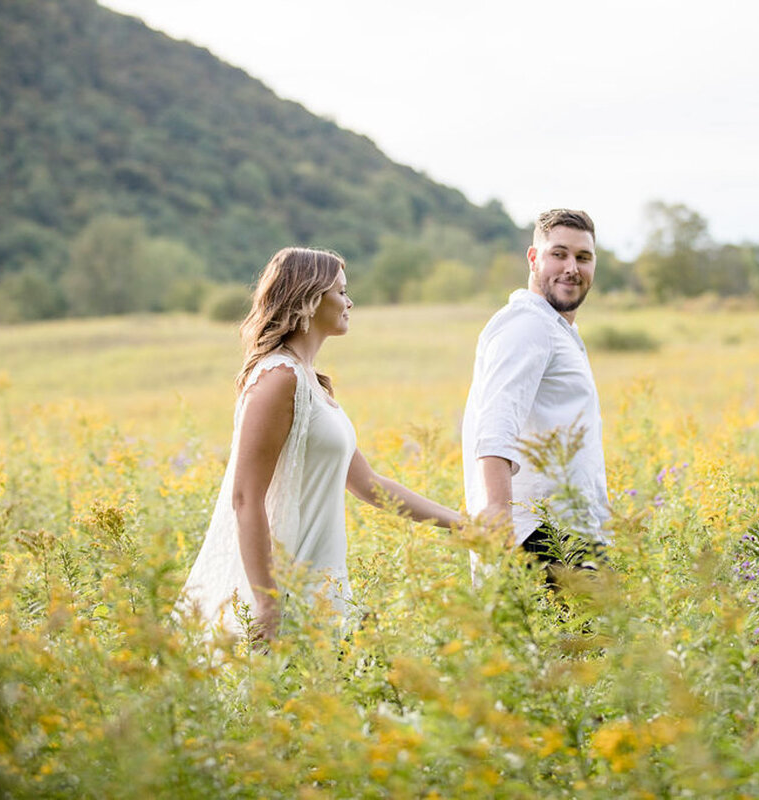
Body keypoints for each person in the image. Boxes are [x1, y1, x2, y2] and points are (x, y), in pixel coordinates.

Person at [180, 247, 459, 643]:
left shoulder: (311, 382)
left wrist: (460, 524)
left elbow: (369, 485)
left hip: (322, 585)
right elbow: (245, 496)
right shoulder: (279, 378)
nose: (350, 302)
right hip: (285, 584)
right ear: (309, 298)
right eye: (340, 292)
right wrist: (267, 602)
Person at [461, 209, 610, 586]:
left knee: (593, 642)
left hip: (568, 533)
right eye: (558, 254)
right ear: (533, 258)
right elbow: (496, 419)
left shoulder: (555, 329)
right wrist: (497, 511)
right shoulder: (528, 324)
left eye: (583, 257)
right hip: (540, 537)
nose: (571, 267)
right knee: (577, 643)